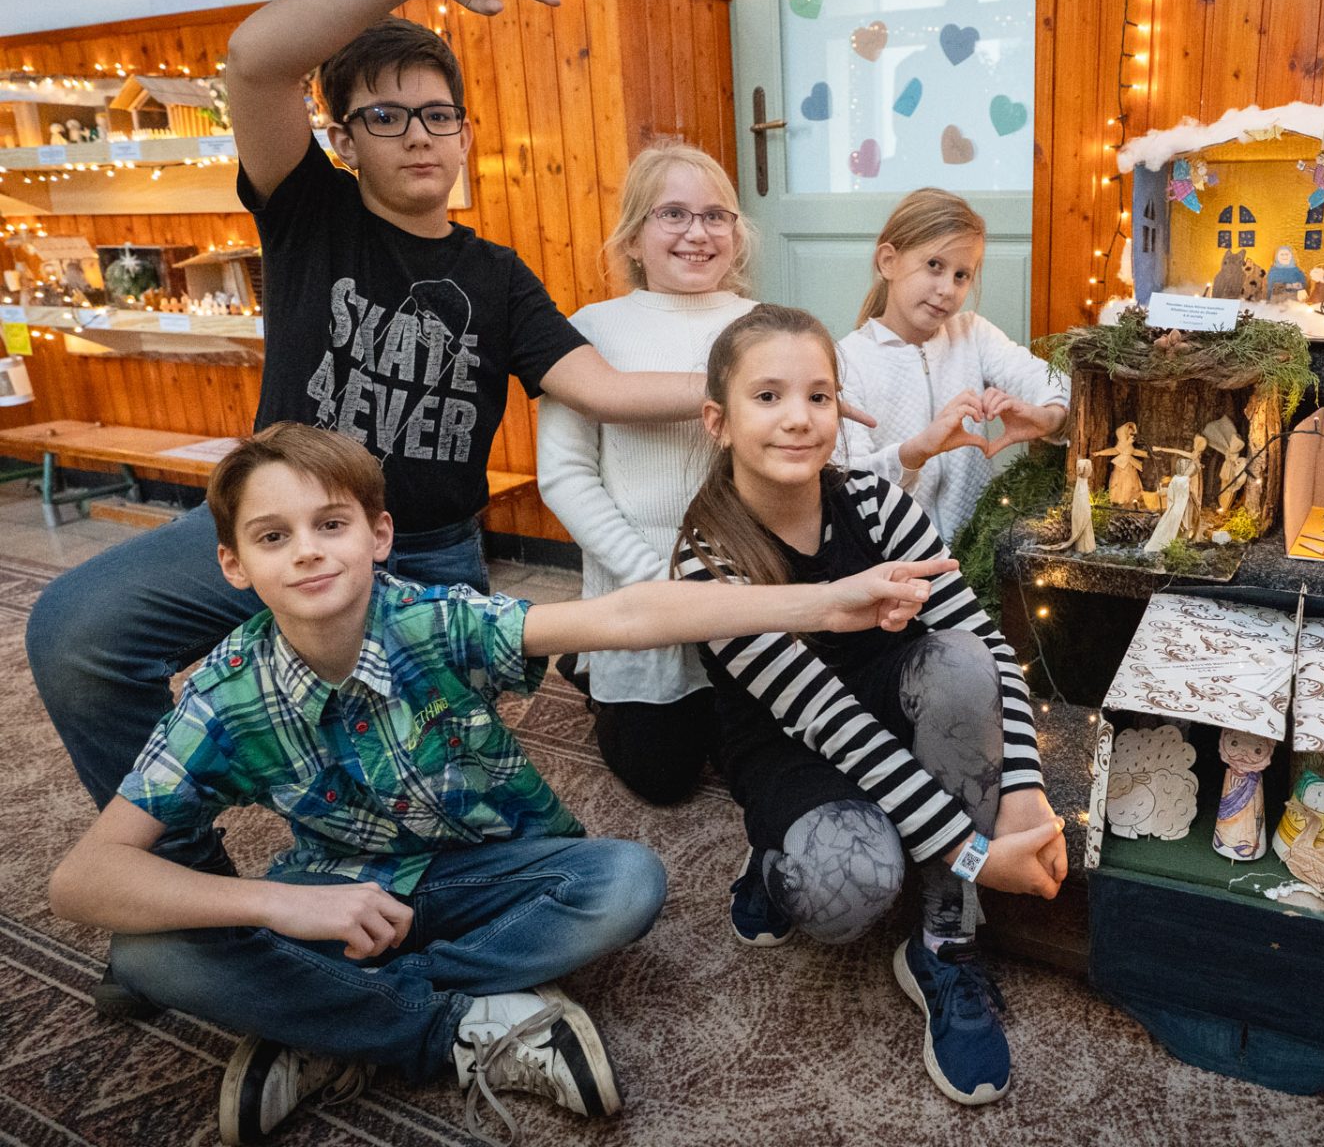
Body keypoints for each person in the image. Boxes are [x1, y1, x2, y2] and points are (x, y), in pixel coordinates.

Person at [24, 0, 878, 911]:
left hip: (425, 553)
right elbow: (254, 59)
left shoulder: (499, 278)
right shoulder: (310, 212)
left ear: (465, 133)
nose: (418, 136)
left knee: (437, 808)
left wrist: (775, 389)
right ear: (345, 138)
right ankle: (180, 879)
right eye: (385, 117)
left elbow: (602, 388)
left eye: (437, 115)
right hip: (276, 524)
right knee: (75, 628)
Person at [48, 423, 951, 1145]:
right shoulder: (225, 697)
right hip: (340, 896)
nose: (309, 553)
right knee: (148, 956)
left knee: (626, 883)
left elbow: (628, 614)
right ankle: (462, 1025)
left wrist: (823, 601)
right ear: (234, 565)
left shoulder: (435, 621)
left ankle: (330, 1023)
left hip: (499, 873)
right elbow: (84, 880)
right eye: (273, 536)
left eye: (331, 525)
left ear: (378, 537)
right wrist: (283, 906)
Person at [675, 304, 1067, 1105]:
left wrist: (1023, 793)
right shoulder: (706, 564)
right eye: (768, 397)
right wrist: (976, 853)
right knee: (851, 887)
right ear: (719, 421)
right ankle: (773, 861)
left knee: (961, 663)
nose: (799, 418)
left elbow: (988, 646)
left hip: (891, 699)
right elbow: (837, 727)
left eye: (819, 396)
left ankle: (944, 940)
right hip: (795, 745)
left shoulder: (878, 503)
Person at [537, 142, 753, 806]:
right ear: (632, 238)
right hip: (641, 588)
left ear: (736, 234)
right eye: (673, 214)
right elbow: (566, 476)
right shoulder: (591, 332)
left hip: (741, 589)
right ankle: (590, 664)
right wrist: (651, 578)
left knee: (754, 765)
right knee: (662, 780)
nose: (698, 232)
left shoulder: (762, 327)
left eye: (715, 216)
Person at [836, 188, 1069, 542]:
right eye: (934, 266)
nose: (947, 289)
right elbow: (848, 480)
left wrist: (1048, 418)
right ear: (888, 262)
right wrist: (917, 451)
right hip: (894, 557)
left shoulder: (972, 334)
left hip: (976, 552)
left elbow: (1052, 382)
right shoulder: (847, 361)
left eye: (962, 275)